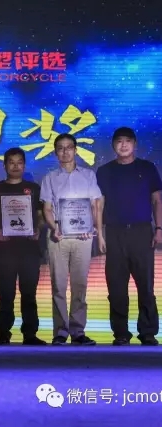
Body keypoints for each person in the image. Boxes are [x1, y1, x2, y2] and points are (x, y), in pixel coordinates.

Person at [96, 127, 161, 346]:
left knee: (146, 285)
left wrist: (159, 228)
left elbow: (157, 200)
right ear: (113, 145)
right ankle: (121, 333)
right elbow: (99, 205)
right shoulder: (104, 171)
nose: (123, 145)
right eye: (119, 141)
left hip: (142, 232)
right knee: (116, 286)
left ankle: (148, 332)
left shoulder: (147, 168)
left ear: (134, 144)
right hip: (114, 232)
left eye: (127, 141)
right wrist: (100, 234)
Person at [41, 133, 102, 346]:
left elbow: (95, 205)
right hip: (58, 234)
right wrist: (53, 227)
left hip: (83, 236)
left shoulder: (88, 175)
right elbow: (47, 208)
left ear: (75, 150)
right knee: (58, 285)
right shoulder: (49, 177)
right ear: (55, 152)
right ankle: (60, 331)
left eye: (69, 147)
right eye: (61, 148)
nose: (65, 151)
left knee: (80, 285)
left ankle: (77, 331)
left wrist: (92, 227)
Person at [0, 147, 46, 345]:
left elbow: (41, 216)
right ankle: (3, 333)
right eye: (11, 162)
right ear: (4, 165)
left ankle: (30, 334)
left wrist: (37, 229)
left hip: (29, 249)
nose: (15, 166)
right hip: (5, 250)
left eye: (19, 162)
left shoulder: (34, 189)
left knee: (29, 293)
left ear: (24, 165)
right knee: (5, 293)